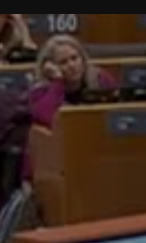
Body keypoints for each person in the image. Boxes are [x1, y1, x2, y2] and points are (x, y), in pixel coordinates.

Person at [23, 35, 117, 178]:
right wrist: (58, 82)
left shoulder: (100, 79)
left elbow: (117, 111)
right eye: (63, 62)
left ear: (82, 58)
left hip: (96, 153)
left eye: (74, 58)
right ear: (50, 67)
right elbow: (48, 119)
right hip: (57, 162)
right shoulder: (40, 91)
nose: (72, 65)